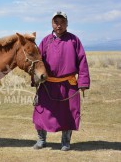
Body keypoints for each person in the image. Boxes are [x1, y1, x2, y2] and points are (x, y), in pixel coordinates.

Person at [32, 11, 90, 151]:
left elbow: (82, 62)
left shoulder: (74, 40)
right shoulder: (45, 41)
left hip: (68, 84)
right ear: (52, 24)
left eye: (62, 22)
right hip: (48, 84)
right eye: (56, 22)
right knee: (41, 111)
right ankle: (41, 139)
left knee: (68, 114)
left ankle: (65, 142)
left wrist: (83, 82)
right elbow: (37, 62)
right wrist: (35, 79)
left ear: (67, 23)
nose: (59, 25)